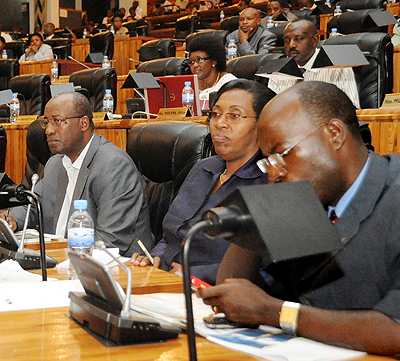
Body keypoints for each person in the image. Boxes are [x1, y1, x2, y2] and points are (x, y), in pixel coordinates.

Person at [199, 81, 400, 356]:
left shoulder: (393, 194)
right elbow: (233, 294)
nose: (275, 173)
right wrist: (263, 206)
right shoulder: (306, 199)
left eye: (282, 154)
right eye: (267, 161)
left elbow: (395, 331)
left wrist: (277, 313)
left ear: (334, 134)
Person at [130, 79, 273, 285]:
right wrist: (153, 259)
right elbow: (170, 236)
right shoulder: (203, 168)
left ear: (261, 125)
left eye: (234, 116)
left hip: (214, 294)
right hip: (165, 281)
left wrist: (192, 276)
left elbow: (264, 269)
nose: (220, 123)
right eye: (216, 114)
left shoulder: (267, 182)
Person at [1, 92, 154, 257]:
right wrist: (12, 219)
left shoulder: (114, 165)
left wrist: (58, 259)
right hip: (60, 260)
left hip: (117, 268)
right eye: (46, 122)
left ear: (83, 123)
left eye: (57, 121)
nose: (48, 131)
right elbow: (32, 206)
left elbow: (110, 240)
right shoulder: (55, 163)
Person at [267, 19, 360, 108]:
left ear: (315, 40)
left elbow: (351, 109)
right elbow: (270, 111)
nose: (291, 45)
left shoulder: (337, 66)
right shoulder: (279, 70)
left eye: (298, 39)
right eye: (287, 41)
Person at [187, 34, 237, 111]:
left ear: (214, 61)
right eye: (191, 62)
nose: (195, 65)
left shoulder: (229, 83)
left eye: (199, 60)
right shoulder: (188, 85)